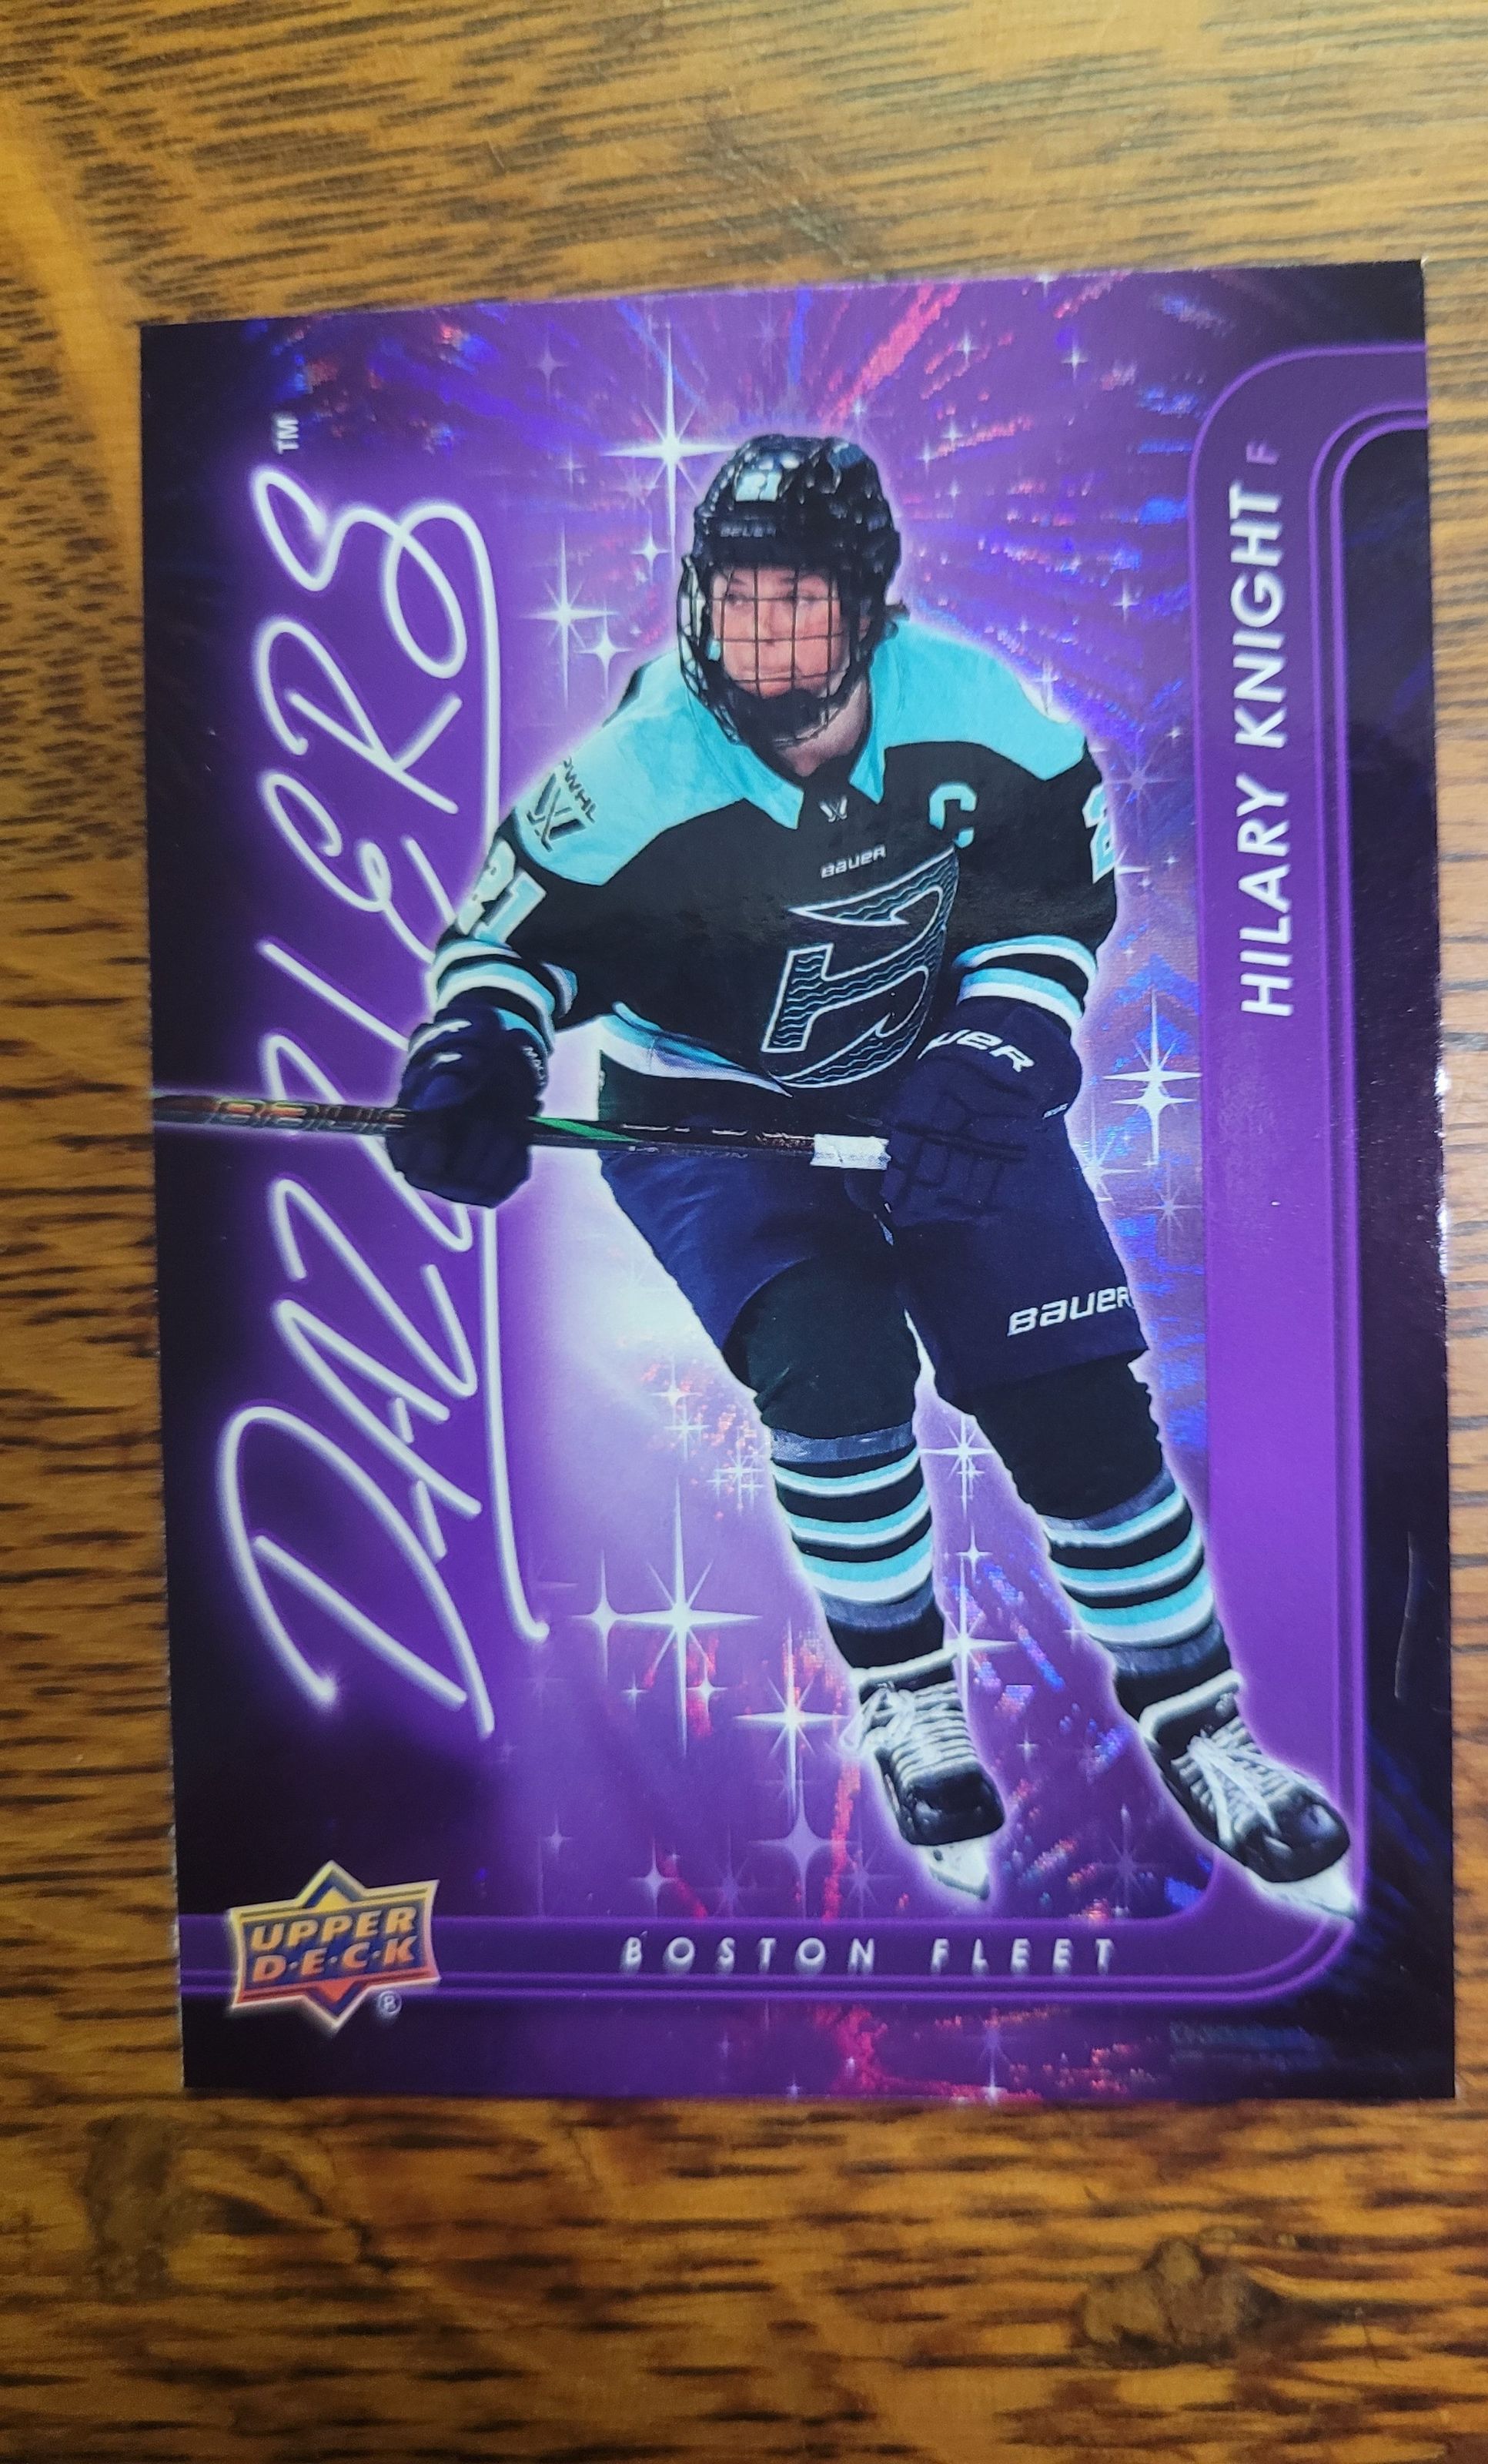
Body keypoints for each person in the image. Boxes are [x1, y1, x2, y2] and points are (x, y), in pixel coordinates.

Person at [387, 432, 1350, 1914]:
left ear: (873, 605)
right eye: (739, 601)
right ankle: (906, 1691)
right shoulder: (631, 779)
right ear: (698, 600)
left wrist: (998, 1053)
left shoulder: (976, 712)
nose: (766, 642)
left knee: (1074, 1403)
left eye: (804, 603)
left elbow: (1051, 897)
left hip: (939, 1082)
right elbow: (506, 950)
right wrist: (481, 1056)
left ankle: (1193, 1711)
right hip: (713, 1118)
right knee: (831, 1374)